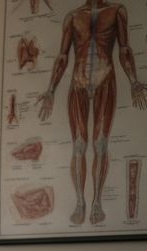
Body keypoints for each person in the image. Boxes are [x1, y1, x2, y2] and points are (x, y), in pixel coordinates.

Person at [35, 0, 147, 226]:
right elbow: (63, 56)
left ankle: (96, 201)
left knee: (101, 144)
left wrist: (134, 81)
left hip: (105, 79)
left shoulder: (116, 10)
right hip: (78, 82)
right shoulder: (73, 16)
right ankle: (79, 202)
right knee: (78, 145)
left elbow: (124, 48)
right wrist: (51, 90)